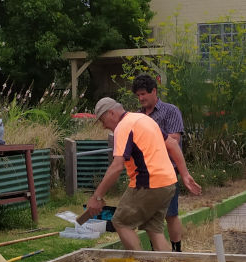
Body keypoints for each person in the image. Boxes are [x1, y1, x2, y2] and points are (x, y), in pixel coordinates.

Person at [86, 97, 201, 251]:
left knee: (121, 222)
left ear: (111, 113)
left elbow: (117, 166)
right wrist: (185, 175)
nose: (104, 126)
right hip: (168, 183)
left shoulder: (124, 126)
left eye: (102, 120)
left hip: (148, 184)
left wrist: (97, 197)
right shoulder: (144, 119)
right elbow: (173, 144)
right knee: (154, 229)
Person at [132, 74, 185, 252]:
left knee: (170, 213)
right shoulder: (137, 116)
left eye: (143, 94)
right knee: (149, 215)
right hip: (144, 173)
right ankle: (155, 250)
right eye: (138, 95)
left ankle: (176, 249)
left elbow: (174, 139)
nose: (140, 98)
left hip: (167, 172)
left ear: (154, 91)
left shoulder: (171, 111)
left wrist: (148, 140)